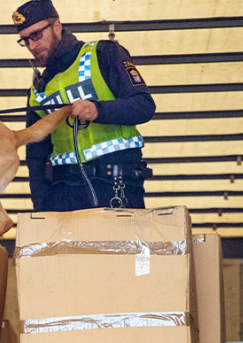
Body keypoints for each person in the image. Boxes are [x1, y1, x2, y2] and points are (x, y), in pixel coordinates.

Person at [13, 0, 156, 211]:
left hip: (116, 185)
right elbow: (36, 157)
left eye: (36, 35)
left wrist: (98, 110)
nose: (31, 46)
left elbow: (144, 105)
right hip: (63, 195)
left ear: (57, 27)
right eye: (25, 40)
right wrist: (41, 209)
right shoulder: (37, 92)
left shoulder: (103, 54)